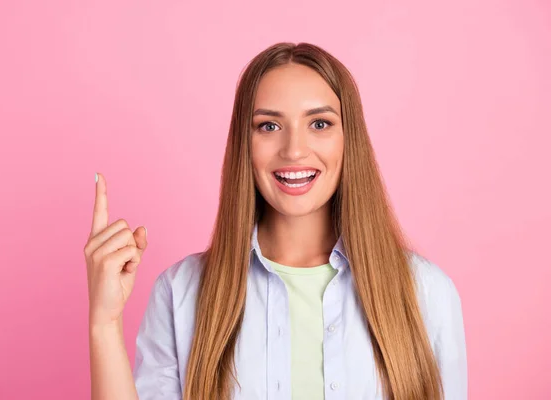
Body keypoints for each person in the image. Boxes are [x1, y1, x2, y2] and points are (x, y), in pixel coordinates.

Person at [85, 42, 468, 400]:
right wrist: (104, 323)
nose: (294, 149)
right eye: (269, 126)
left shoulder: (425, 293)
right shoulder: (181, 291)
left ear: (349, 139)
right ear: (244, 144)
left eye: (319, 124)